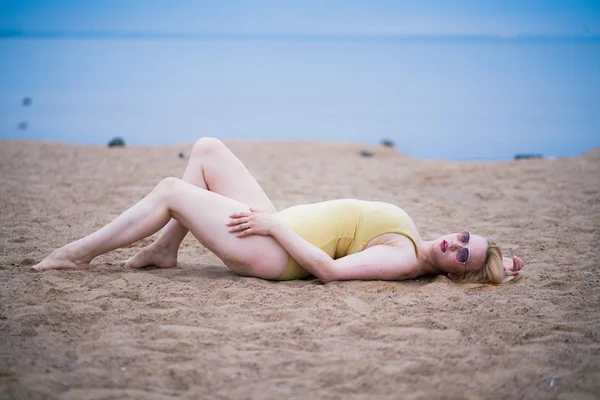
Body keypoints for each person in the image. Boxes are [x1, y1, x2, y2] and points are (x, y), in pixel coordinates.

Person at [32, 137, 525, 283]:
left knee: (169, 190)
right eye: (464, 238)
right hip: (274, 225)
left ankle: (78, 254)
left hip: (273, 252)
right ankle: (164, 250)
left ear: (457, 274)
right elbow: (490, 263)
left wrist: (270, 224)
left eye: (463, 256)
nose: (455, 245)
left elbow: (327, 270)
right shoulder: (414, 235)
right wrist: (507, 262)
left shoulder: (404, 258)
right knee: (207, 150)